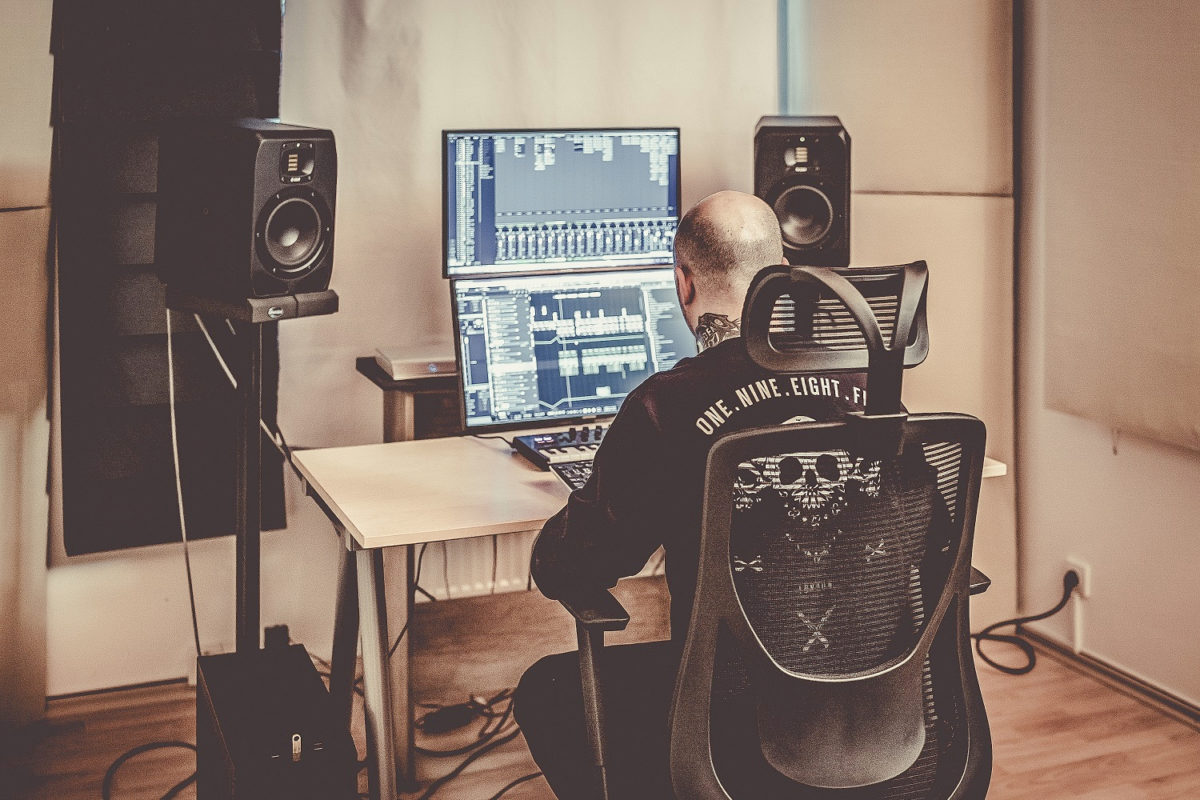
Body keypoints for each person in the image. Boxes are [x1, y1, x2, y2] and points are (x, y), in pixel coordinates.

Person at [514, 190, 869, 799]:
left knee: (547, 689)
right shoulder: (865, 386)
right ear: (781, 275)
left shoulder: (665, 406)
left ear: (684, 282)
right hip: (872, 702)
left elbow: (580, 561)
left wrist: (557, 541)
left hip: (731, 719)